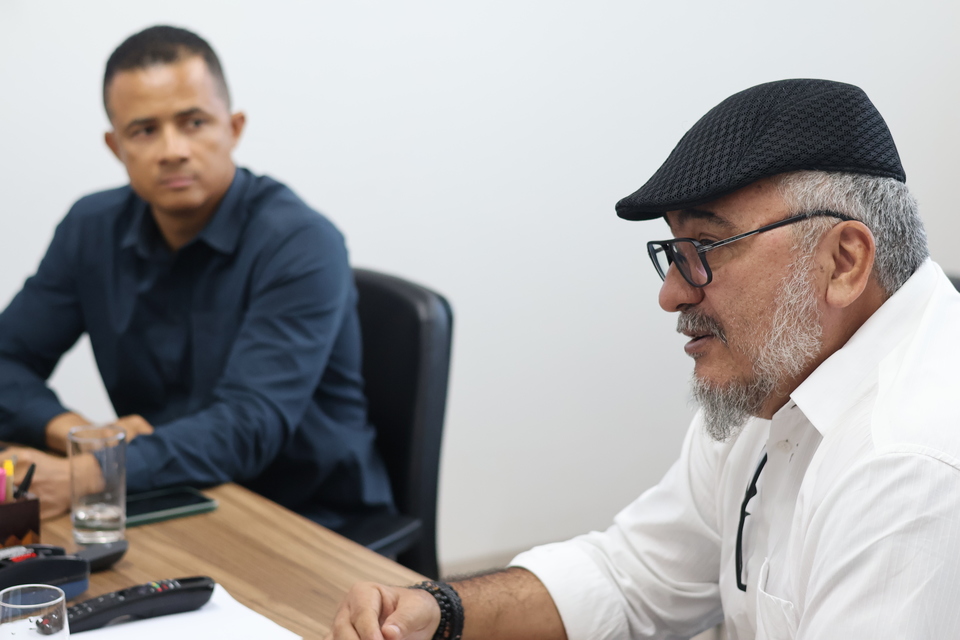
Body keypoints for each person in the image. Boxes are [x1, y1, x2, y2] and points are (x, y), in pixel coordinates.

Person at [325, 79, 960, 640]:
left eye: (704, 247)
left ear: (843, 261)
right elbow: (631, 579)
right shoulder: (776, 378)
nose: (671, 294)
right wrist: (440, 611)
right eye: (673, 253)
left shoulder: (910, 463)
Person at [0, 25, 394, 532]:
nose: (173, 150)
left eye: (194, 123)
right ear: (116, 146)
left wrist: (90, 472)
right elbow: (6, 359)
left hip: (309, 518)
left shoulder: (301, 241)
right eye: (145, 130)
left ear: (234, 128)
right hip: (167, 493)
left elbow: (249, 424)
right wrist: (78, 435)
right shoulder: (91, 228)